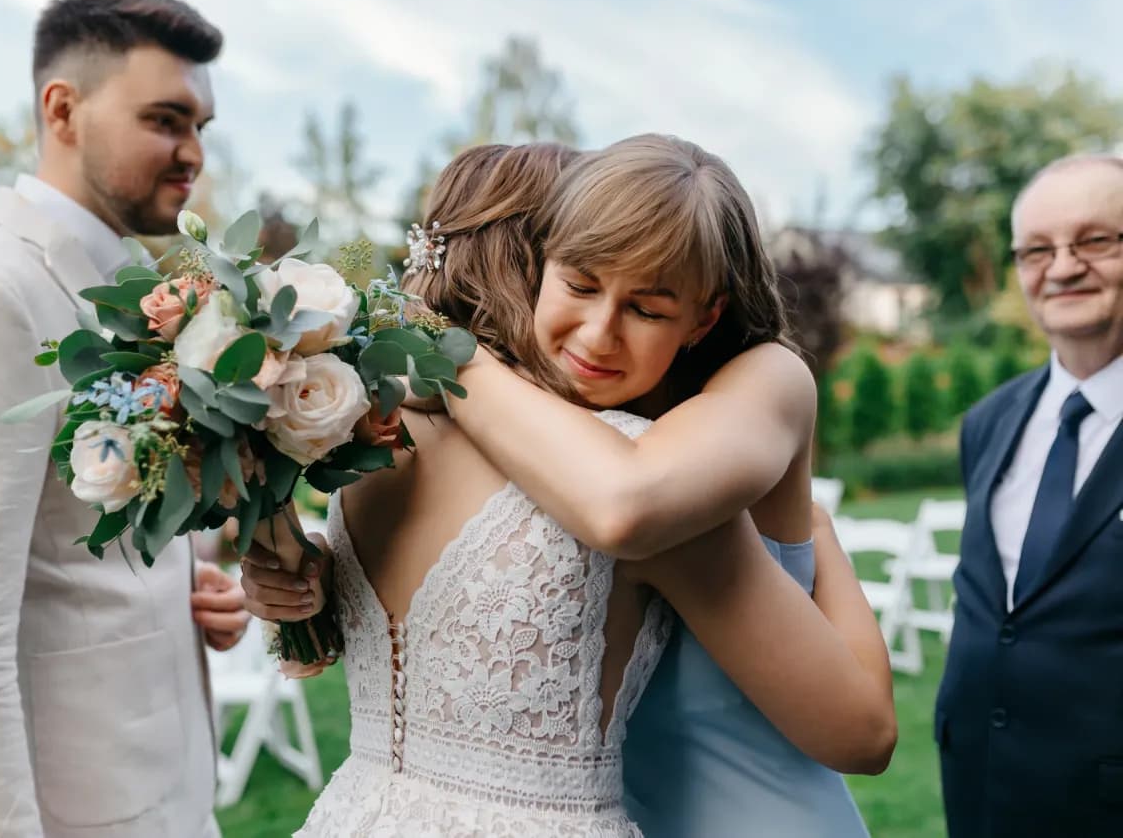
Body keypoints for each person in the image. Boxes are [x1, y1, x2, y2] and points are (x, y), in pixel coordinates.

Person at [246, 140, 893, 837]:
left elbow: (624, 502)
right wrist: (297, 587)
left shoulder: (694, 432)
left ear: (702, 312)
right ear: (537, 264)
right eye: (580, 280)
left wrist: (443, 352)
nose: (598, 330)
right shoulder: (421, 432)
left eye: (646, 302)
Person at [0, 0, 247, 835]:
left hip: (163, 791)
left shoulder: (131, 294)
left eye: (201, 127)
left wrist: (186, 580)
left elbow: (72, 542)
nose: (193, 152)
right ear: (63, 109)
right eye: (165, 118)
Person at [934, 154, 1123, 837]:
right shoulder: (988, 421)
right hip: (978, 785)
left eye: (1096, 240)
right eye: (1037, 249)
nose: (1064, 266)